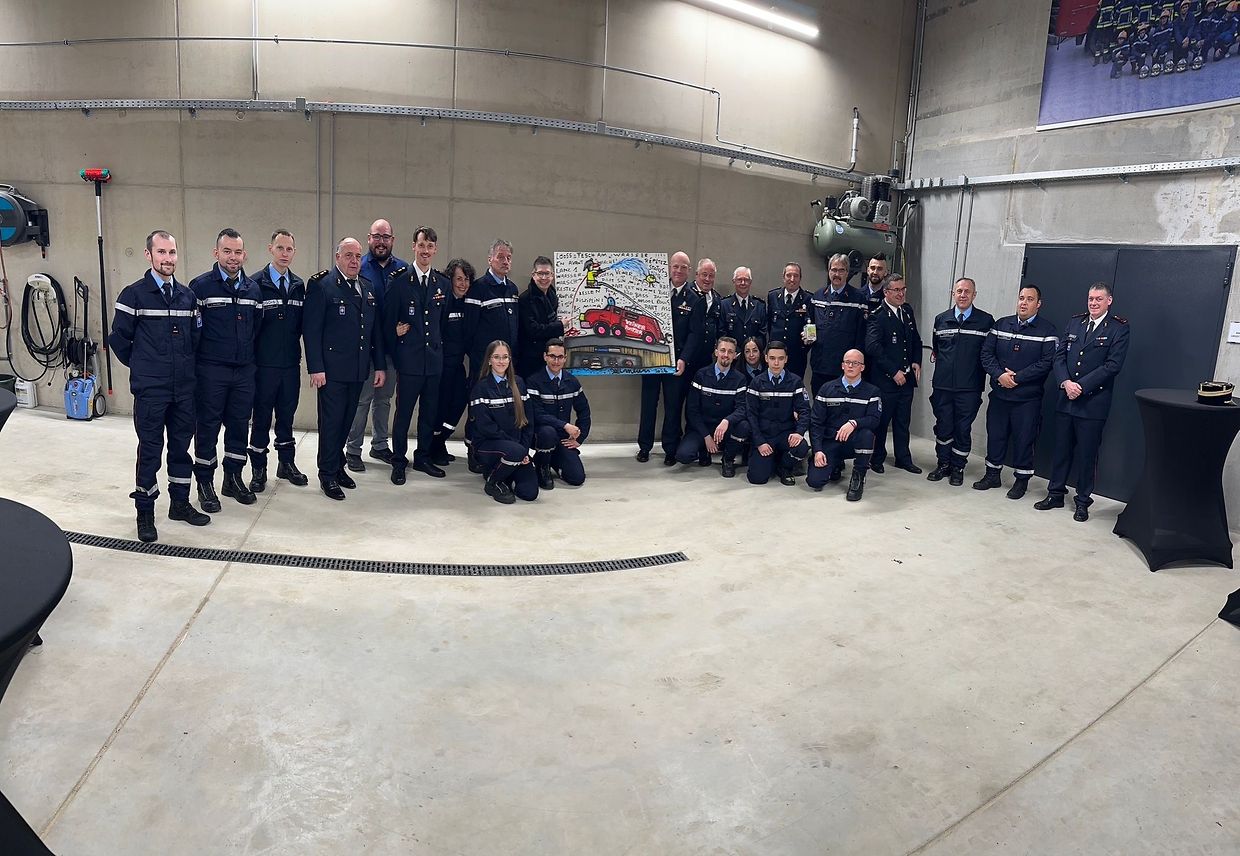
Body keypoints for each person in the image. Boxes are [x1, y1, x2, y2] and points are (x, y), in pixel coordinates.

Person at [109, 230, 210, 542]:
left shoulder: (187, 297)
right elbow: (118, 340)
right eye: (162, 252)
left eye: (172, 252)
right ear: (148, 255)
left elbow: (196, 340)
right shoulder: (133, 295)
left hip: (184, 390)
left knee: (181, 449)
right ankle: (145, 512)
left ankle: (180, 504)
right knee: (150, 451)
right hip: (151, 391)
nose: (168, 258)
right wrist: (144, 367)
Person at [1035, 282, 1130, 522]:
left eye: (1098, 299)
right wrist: (1065, 382)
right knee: (1061, 450)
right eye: (1090, 298)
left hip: (1092, 403)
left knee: (1087, 456)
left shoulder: (1119, 328)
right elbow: (1059, 357)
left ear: (1109, 301)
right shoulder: (1075, 322)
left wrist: (1081, 387)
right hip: (1066, 398)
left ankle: (1082, 501)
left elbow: (1112, 365)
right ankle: (1055, 494)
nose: (1093, 303)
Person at [303, 238, 386, 500]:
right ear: (337, 256)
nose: (354, 261)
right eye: (348, 255)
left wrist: (380, 365)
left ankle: (338, 466)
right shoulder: (322, 286)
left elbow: (375, 332)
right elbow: (311, 331)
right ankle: (327, 474)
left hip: (358, 369)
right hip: (331, 371)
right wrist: (316, 368)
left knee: (346, 421)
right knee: (331, 424)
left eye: (358, 256)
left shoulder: (367, 286)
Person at [189, 228, 264, 512]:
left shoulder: (253, 289)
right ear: (216, 253)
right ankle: (205, 483)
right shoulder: (201, 287)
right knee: (207, 428)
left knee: (239, 426)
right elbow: (193, 332)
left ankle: (233, 478)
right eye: (227, 251)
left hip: (243, 372)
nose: (233, 257)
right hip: (211, 371)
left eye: (238, 252)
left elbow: (257, 328)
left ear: (244, 255)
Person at [975, 284, 1058, 499]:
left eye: (1030, 299)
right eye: (1021, 298)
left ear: (1038, 304)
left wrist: (1017, 378)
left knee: (1024, 440)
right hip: (1000, 395)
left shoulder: (1047, 331)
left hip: (1027, 400)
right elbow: (986, 354)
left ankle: (1021, 481)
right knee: (996, 436)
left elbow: (1047, 362)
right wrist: (999, 375)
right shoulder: (1001, 325)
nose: (1024, 303)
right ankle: (992, 475)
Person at [384, 226, 449, 484]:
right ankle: (399, 460)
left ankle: (422, 457)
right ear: (413, 246)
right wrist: (395, 333)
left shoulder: (442, 283)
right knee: (404, 414)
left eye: (430, 246)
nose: (425, 251)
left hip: (433, 361)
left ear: (435, 250)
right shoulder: (399, 281)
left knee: (429, 413)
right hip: (409, 362)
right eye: (421, 245)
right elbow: (387, 320)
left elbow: (442, 324)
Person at [247, 229, 308, 492]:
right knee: (261, 418)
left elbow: (303, 327)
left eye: (289, 249)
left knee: (286, 416)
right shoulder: (254, 284)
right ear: (270, 249)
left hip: (290, 365)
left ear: (294, 252)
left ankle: (286, 464)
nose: (285, 253)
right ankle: (258, 469)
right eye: (280, 248)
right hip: (263, 367)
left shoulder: (298, 285)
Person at [345, 219, 406, 472]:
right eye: (377, 236)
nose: (381, 242)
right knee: (362, 400)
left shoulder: (403, 269)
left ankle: (380, 445)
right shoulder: (358, 266)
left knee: (384, 400)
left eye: (386, 237)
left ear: (392, 240)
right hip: (365, 349)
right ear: (369, 238)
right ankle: (353, 449)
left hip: (391, 350)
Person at [927, 277, 994, 485]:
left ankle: (958, 467)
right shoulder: (941, 319)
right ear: (953, 293)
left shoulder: (986, 321)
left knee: (962, 429)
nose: (963, 295)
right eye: (959, 291)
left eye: (967, 291)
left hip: (970, 388)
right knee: (943, 426)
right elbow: (937, 349)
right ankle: (943, 464)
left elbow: (988, 353)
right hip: (942, 386)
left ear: (974, 295)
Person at [637, 251, 698, 464]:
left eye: (683, 267)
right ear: (669, 268)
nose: (678, 271)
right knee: (648, 404)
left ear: (689, 270)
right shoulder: (655, 291)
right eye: (675, 266)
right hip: (651, 358)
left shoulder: (694, 299)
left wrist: (684, 359)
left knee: (673, 406)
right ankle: (644, 447)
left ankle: (670, 449)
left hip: (676, 362)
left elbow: (694, 333)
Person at [864, 273, 923, 475]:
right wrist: (893, 371)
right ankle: (877, 458)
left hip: (906, 378)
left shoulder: (907, 311)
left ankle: (903, 458)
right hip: (886, 380)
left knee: (902, 421)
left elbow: (915, 339)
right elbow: (873, 347)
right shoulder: (877, 315)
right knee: (882, 422)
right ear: (886, 292)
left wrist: (916, 361)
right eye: (896, 290)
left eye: (903, 289)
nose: (901, 294)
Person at [468, 340, 538, 504]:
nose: (501, 361)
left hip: (517, 448)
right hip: (489, 445)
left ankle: (507, 471)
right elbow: (486, 427)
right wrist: (517, 449)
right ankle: (493, 481)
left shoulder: (519, 383)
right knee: (514, 452)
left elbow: (528, 422)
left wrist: (524, 450)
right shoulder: (481, 388)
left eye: (505, 357)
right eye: (496, 357)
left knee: (529, 493)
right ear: (489, 360)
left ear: (510, 359)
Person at [806, 349, 882, 501]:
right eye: (847, 362)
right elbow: (816, 422)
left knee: (867, 435)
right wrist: (817, 450)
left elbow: (874, 419)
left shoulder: (872, 391)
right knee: (815, 481)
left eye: (855, 363)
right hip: (831, 441)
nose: (850, 366)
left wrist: (854, 423)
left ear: (862, 367)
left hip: (854, 441)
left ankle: (859, 475)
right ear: (842, 365)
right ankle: (834, 464)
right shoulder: (827, 389)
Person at [676, 336, 750, 477]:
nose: (726, 355)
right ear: (716, 352)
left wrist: (727, 421)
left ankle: (727, 460)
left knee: (744, 426)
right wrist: (706, 436)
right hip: (702, 427)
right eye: (722, 350)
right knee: (683, 456)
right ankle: (704, 450)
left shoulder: (740, 379)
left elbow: (742, 408)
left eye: (730, 352)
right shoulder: (701, 375)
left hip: (724, 428)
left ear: (735, 355)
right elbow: (692, 410)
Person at [740, 340, 810, 486]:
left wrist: (799, 433)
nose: (776, 363)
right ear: (766, 358)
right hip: (765, 435)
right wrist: (759, 442)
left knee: (802, 447)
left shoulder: (795, 382)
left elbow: (805, 410)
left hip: (786, 433)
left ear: (786, 359)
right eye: (772, 358)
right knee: (757, 478)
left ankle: (785, 467)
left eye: (780, 358)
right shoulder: (757, 383)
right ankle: (771, 460)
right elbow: (751, 415)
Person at [526, 338, 591, 488]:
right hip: (540, 436)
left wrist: (580, 438)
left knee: (577, 478)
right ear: (545, 356)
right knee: (547, 432)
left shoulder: (572, 382)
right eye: (552, 356)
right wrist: (565, 425)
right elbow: (537, 414)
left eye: (560, 357)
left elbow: (584, 410)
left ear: (565, 358)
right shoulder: (534, 381)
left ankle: (553, 458)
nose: (556, 361)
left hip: (562, 438)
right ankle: (542, 466)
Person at [428, 258, 474, 467]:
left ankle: (441, 441)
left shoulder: (468, 304)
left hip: (457, 365)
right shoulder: (443, 302)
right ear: (450, 280)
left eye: (466, 279)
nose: (463, 284)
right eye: (459, 279)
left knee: (458, 403)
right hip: (441, 366)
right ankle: (433, 446)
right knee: (440, 407)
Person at [807, 253, 868, 396]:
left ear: (847, 272)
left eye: (841, 270)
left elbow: (861, 336)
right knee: (819, 404)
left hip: (845, 368)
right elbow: (810, 324)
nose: (837, 274)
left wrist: (854, 364)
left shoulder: (858, 299)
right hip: (820, 366)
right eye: (833, 270)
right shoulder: (817, 296)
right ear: (828, 271)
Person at [465, 239, 521, 382]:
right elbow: (468, 330)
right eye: (500, 257)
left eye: (508, 258)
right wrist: (481, 357)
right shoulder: (478, 289)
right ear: (490, 259)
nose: (505, 261)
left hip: (508, 363)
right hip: (484, 364)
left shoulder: (513, 289)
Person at [517, 256, 571, 379]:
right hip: (530, 360)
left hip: (550, 358)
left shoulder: (552, 295)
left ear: (552, 275)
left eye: (547, 274)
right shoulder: (525, 299)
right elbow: (533, 330)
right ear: (533, 275)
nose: (544, 278)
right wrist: (560, 326)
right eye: (540, 273)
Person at [766, 262, 812, 379]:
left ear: (800, 278)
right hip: (775, 355)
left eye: (796, 276)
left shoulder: (808, 299)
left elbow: (811, 327)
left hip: (797, 355)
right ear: (783, 277)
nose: (792, 279)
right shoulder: (773, 296)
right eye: (789, 275)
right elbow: (770, 324)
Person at [681, 258, 722, 378]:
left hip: (705, 360)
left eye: (711, 276)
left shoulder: (717, 299)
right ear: (696, 274)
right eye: (704, 274)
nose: (707, 279)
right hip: (684, 357)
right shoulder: (685, 293)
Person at [719, 267, 766, 348]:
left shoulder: (759, 306)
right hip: (731, 353)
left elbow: (762, 334)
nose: (743, 283)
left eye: (746, 280)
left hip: (752, 354)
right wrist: (735, 351)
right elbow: (721, 333)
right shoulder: (724, 305)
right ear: (734, 281)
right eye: (739, 280)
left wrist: (752, 351)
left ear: (750, 282)